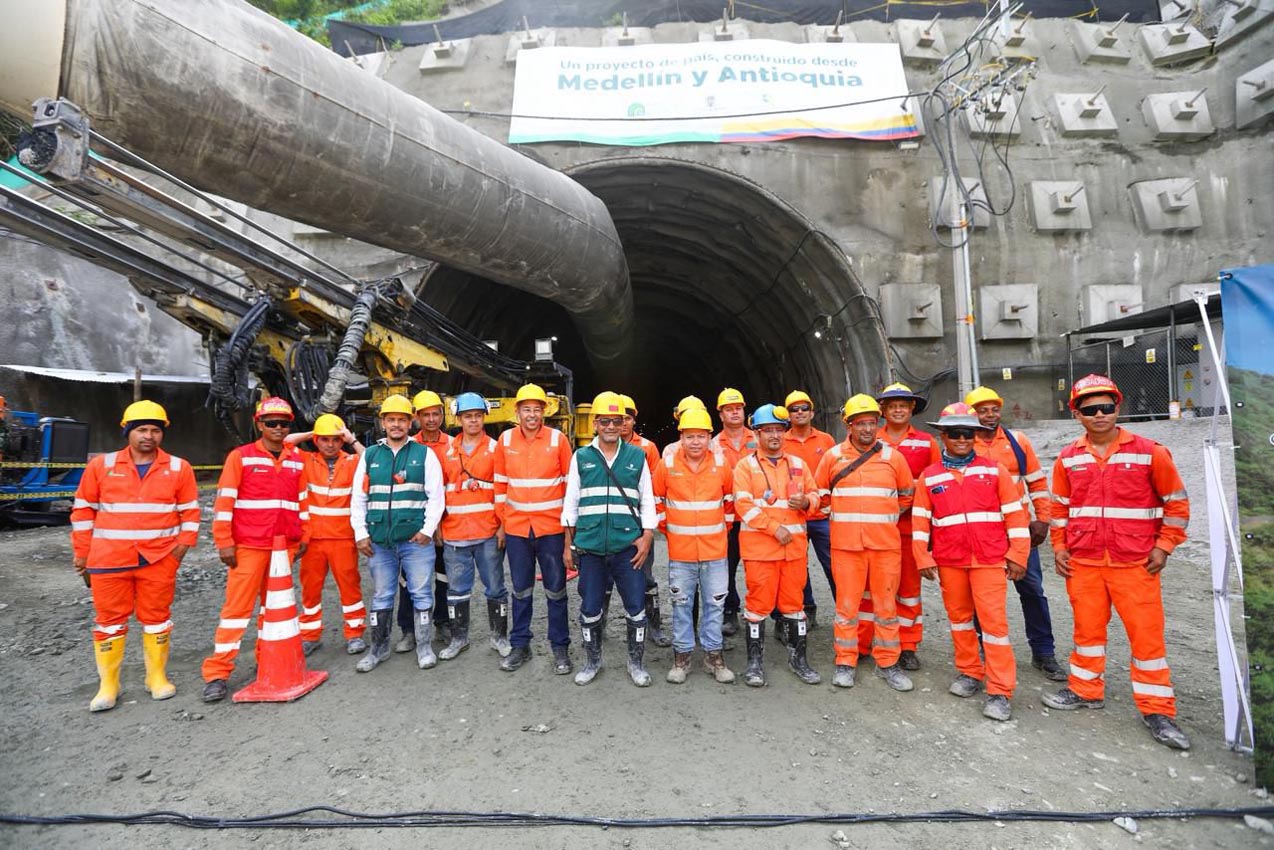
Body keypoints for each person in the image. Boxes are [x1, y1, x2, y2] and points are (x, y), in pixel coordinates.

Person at [1042, 374, 1192, 750]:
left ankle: (1157, 709)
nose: (1099, 414)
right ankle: (1085, 689)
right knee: (1087, 633)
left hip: (1135, 563)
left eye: (1106, 407)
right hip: (1085, 562)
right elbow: (1059, 509)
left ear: (1117, 408)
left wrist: (1164, 546)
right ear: (1077, 414)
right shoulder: (1068, 458)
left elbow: (1176, 503)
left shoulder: (1150, 451)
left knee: (1147, 638)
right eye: (1090, 409)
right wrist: (1059, 546)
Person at [71, 400, 199, 711]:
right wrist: (82, 555)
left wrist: (179, 551)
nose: (149, 436)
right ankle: (108, 686)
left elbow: (190, 514)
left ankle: (156, 677)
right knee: (110, 622)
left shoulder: (179, 467)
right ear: (128, 431)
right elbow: (83, 510)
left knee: (157, 620)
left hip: (158, 559)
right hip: (108, 559)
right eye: (141, 429)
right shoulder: (102, 466)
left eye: (155, 430)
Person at [911, 403, 1029, 721]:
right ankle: (969, 673)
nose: (962, 439)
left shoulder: (994, 471)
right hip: (951, 561)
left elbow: (1015, 516)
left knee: (994, 626)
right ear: (943, 437)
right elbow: (921, 521)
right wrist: (922, 557)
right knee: (960, 621)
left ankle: (1000, 691)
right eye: (954, 434)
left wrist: (1018, 554)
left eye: (967, 434)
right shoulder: (930, 477)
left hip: (989, 560)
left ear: (976, 436)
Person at [202, 396, 311, 702]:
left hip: (284, 546)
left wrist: (305, 535)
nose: (278, 428)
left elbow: (302, 502)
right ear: (258, 424)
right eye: (271, 423)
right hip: (249, 545)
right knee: (236, 611)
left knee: (274, 610)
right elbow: (224, 504)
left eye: (284, 424)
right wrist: (224, 542)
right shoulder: (241, 457)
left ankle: (269, 661)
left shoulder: (296, 460)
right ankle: (218, 673)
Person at [814, 394, 915, 693]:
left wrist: (880, 517)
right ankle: (846, 661)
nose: (868, 429)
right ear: (849, 425)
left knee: (886, 606)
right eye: (861, 424)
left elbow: (907, 495)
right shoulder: (832, 457)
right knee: (847, 606)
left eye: (872, 423)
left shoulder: (893, 457)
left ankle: (888, 662)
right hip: (846, 547)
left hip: (884, 546)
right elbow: (820, 496)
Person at [964, 385, 1066, 681]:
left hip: (1018, 531)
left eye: (994, 409)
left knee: (1032, 589)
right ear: (972, 414)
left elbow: (1035, 481)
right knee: (979, 595)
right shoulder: (963, 443)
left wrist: (1043, 519)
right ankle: (984, 649)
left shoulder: (1017, 441)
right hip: (981, 534)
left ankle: (1043, 652)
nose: (990, 415)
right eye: (982, 410)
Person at [563, 392, 658, 687]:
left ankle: (636, 663)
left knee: (635, 606)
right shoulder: (581, 457)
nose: (610, 426)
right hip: (590, 548)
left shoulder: (636, 456)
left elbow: (648, 503)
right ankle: (592, 661)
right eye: (605, 421)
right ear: (595, 423)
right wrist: (568, 545)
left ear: (623, 424)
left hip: (627, 548)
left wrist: (646, 538)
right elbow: (571, 504)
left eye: (616, 421)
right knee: (590, 607)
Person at [350, 394, 445, 673]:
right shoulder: (369, 456)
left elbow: (436, 496)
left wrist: (427, 530)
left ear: (409, 422)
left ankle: (425, 647)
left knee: (421, 594)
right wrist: (360, 533)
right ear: (383, 423)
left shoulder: (424, 454)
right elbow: (358, 499)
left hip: (415, 541)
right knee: (382, 595)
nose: (396, 425)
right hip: (379, 542)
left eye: (401, 420)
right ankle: (377, 649)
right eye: (391, 419)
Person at [733, 403, 820, 687]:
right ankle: (755, 664)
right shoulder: (745, 466)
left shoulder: (798, 465)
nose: (774, 436)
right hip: (760, 552)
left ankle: (799, 661)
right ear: (756, 434)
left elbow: (817, 495)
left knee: (794, 606)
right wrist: (774, 528)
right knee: (757, 606)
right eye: (767, 430)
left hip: (793, 552)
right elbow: (743, 506)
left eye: (779, 430)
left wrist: (808, 502)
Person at [494, 383, 574, 673]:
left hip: (550, 529)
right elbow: (500, 485)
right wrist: (502, 524)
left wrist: (568, 537)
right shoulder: (504, 440)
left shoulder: (557, 440)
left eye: (536, 409)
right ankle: (520, 645)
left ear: (544, 411)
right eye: (526, 409)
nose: (531, 414)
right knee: (521, 590)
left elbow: (569, 488)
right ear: (517, 411)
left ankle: (560, 647)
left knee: (556, 590)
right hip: (517, 530)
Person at [653, 407, 735, 684]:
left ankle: (714, 656)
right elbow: (656, 499)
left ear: (710, 437)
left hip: (715, 551)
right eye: (690, 436)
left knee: (715, 604)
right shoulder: (667, 464)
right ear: (681, 438)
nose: (696, 442)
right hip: (681, 552)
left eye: (701, 436)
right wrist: (670, 530)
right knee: (681, 604)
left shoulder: (721, 465)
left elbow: (730, 503)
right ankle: (682, 657)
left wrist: (719, 530)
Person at [870, 382, 941, 671]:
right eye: (892, 405)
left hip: (912, 529)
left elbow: (937, 483)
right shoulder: (869, 438)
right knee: (875, 588)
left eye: (903, 404)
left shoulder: (927, 442)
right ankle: (874, 640)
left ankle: (908, 645)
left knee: (909, 590)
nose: (898, 409)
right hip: (877, 528)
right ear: (883, 410)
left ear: (912, 408)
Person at [437, 392, 510, 661]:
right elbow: (437, 492)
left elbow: (504, 489)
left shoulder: (495, 449)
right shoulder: (446, 452)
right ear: (459, 419)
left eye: (478, 416)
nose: (473, 421)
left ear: (484, 418)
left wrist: (503, 526)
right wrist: (437, 527)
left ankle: (499, 638)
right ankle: (458, 639)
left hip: (488, 532)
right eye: (468, 417)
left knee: (495, 588)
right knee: (457, 590)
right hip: (455, 533)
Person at [286, 414, 366, 656]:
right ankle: (310, 635)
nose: (330, 444)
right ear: (316, 441)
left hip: (343, 538)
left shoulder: (352, 461)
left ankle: (355, 634)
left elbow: (372, 459)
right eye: (324, 440)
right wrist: (313, 432)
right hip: (313, 541)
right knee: (310, 589)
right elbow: (285, 443)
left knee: (350, 587)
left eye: (335, 440)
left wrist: (350, 439)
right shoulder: (306, 460)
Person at [391, 389, 450, 654]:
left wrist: (438, 524)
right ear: (416, 417)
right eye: (425, 415)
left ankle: (442, 623)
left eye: (436, 413)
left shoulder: (452, 445)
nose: (431, 419)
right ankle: (408, 629)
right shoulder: (407, 445)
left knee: (443, 575)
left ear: (442, 415)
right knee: (408, 579)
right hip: (415, 525)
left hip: (446, 523)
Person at [779, 389, 836, 633]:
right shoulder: (782, 441)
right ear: (788, 415)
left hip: (821, 515)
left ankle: (845, 610)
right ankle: (807, 608)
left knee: (834, 565)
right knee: (798, 567)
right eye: (794, 409)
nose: (800, 412)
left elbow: (835, 474)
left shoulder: (826, 441)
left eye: (804, 408)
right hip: (795, 516)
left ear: (812, 412)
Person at [711, 388, 756, 638]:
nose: (735, 412)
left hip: (755, 518)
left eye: (738, 407)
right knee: (725, 568)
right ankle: (730, 611)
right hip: (727, 518)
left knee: (757, 568)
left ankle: (759, 613)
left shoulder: (758, 439)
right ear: (721, 414)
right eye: (729, 409)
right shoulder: (714, 445)